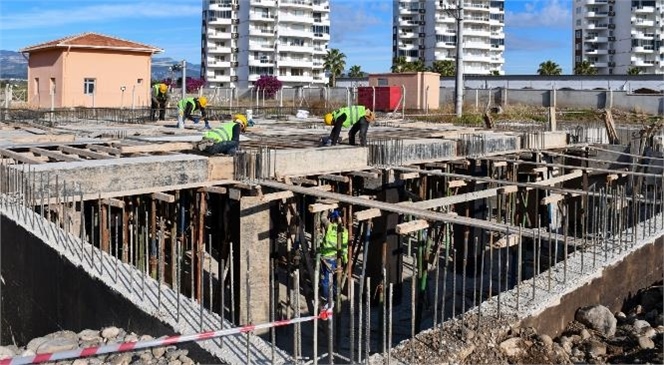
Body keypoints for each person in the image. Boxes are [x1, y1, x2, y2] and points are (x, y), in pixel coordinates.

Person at [319, 209, 349, 306]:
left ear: (332, 219)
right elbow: (345, 248)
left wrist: (326, 209)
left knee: (326, 281)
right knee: (336, 279)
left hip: (327, 259)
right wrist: (345, 261)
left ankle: (326, 300)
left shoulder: (330, 227)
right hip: (338, 259)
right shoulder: (345, 231)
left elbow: (323, 218)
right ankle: (336, 296)